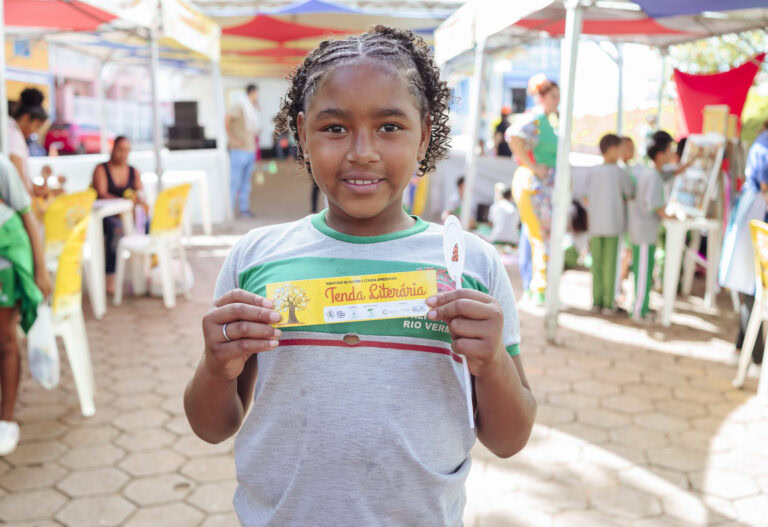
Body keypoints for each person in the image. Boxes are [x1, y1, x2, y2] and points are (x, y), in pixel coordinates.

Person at [184, 26, 535, 526]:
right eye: (335, 128)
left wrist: (493, 361)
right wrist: (216, 367)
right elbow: (213, 427)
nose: (362, 152)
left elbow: (510, 438)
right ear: (301, 133)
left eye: (390, 126)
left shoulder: (471, 265)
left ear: (425, 133)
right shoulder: (256, 258)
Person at [0, 154, 51, 455]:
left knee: (5, 340)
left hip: (5, 262)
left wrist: (40, 270)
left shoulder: (2, 166)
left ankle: (5, 420)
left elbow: (27, 216)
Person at [505, 74, 560, 305]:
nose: (557, 101)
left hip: (535, 183)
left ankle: (533, 287)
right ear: (542, 97)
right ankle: (539, 289)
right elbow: (513, 135)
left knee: (532, 235)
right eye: (554, 96)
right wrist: (533, 166)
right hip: (534, 184)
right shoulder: (537, 118)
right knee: (541, 236)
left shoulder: (547, 120)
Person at [720, 120, 768, 365]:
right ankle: (754, 354)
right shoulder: (765, 143)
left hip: (752, 213)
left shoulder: (762, 141)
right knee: (755, 285)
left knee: (753, 286)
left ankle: (745, 348)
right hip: (758, 214)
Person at [628, 131, 676, 323]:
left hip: (643, 229)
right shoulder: (653, 176)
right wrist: (670, 217)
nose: (671, 154)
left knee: (644, 272)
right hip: (644, 230)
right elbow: (654, 205)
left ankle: (641, 307)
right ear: (660, 154)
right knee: (643, 273)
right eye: (668, 150)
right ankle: (639, 310)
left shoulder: (651, 173)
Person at [91, 136, 147, 295]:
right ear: (113, 149)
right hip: (105, 216)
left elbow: (140, 193)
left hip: (128, 216)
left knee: (147, 223)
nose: (123, 154)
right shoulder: (101, 169)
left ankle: (145, 270)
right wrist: (124, 200)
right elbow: (101, 193)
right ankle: (111, 276)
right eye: (120, 150)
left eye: (127, 150)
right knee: (115, 229)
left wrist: (137, 200)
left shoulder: (133, 171)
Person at [586, 134, 634, 314]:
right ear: (613, 150)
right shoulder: (620, 172)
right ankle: (608, 302)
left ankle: (596, 300)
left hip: (595, 225)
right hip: (613, 224)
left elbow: (586, 197)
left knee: (596, 263)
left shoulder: (594, 171)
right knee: (610, 264)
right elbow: (630, 192)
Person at [226, 84, 261, 217]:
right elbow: (227, 118)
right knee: (235, 182)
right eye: (257, 94)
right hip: (239, 150)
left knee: (246, 182)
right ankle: (229, 210)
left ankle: (244, 209)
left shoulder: (251, 107)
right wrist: (231, 138)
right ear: (253, 93)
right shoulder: (240, 104)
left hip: (249, 149)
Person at [8, 88, 48, 193]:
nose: (36, 132)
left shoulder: (14, 132)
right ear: (26, 118)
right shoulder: (13, 135)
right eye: (37, 126)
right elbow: (19, 181)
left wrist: (33, 188)